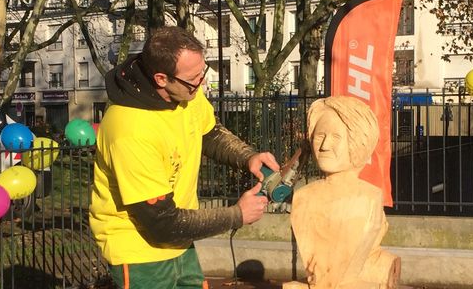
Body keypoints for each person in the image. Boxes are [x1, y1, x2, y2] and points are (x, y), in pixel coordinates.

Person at [89, 26, 279, 289]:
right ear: (161, 79)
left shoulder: (186, 92)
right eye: (194, 79)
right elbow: (162, 223)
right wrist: (237, 215)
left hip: (180, 241)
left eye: (202, 73)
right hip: (139, 251)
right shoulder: (130, 129)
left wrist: (248, 157)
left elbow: (209, 132)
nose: (201, 83)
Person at [285, 96, 399, 289]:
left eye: (336, 137)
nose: (325, 146)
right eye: (320, 136)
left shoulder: (368, 198)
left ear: (359, 141)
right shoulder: (302, 197)